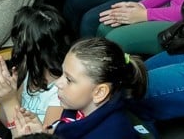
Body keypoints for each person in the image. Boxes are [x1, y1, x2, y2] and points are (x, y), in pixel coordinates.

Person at [8, 38, 147, 138]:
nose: (58, 83)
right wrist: (43, 134)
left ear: (99, 92)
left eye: (69, 79)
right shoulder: (78, 110)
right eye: (62, 74)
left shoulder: (113, 133)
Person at [0, 5, 69, 132]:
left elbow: (42, 138)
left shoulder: (61, 93)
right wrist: (6, 96)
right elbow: (6, 122)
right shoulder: (30, 71)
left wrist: (9, 100)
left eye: (20, 42)